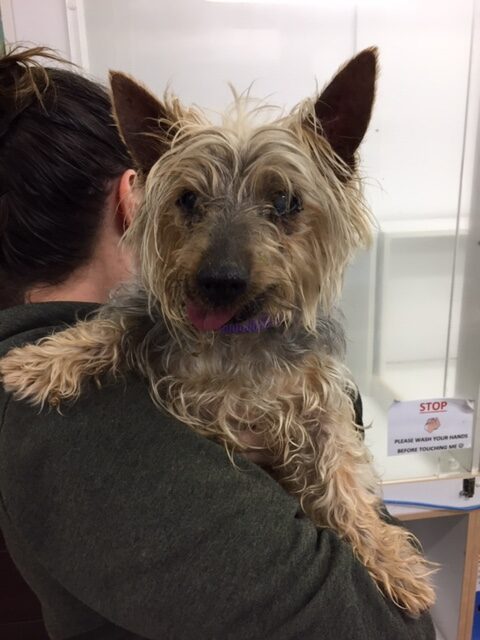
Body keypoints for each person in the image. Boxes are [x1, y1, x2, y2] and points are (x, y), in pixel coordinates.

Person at [0, 47, 435, 640]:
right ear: (136, 194)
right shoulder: (84, 415)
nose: (225, 262)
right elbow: (399, 631)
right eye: (190, 202)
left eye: (282, 206)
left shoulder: (303, 344)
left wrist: (366, 526)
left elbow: (324, 432)